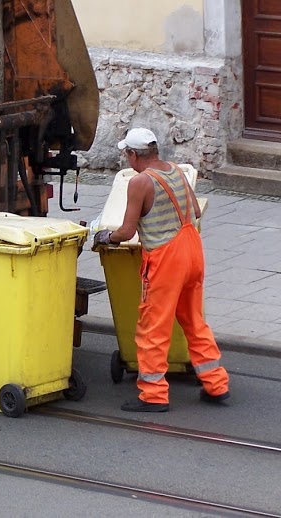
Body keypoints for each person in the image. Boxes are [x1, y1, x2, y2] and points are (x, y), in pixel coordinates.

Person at [93, 128, 230, 412]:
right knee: (193, 320)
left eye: (126, 154)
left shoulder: (140, 182)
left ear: (133, 154)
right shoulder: (177, 171)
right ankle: (216, 384)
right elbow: (196, 211)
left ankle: (153, 394)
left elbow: (128, 230)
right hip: (192, 250)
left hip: (166, 259)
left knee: (152, 328)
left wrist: (106, 237)